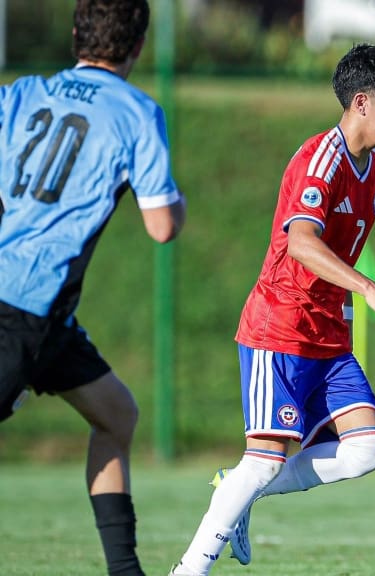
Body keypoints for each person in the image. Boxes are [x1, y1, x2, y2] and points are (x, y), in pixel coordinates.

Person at [169, 43, 375, 575]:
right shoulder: (318, 159)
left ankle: (238, 492)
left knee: (368, 449)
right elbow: (302, 243)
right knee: (264, 458)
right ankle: (190, 568)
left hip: (328, 336)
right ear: (362, 102)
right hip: (279, 328)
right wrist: (370, 290)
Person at [0, 1, 186, 574]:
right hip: (21, 308)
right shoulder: (137, 112)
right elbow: (161, 226)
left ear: (76, 34)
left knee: (117, 415)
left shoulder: (22, 92)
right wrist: (174, 200)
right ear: (137, 46)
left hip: (44, 315)